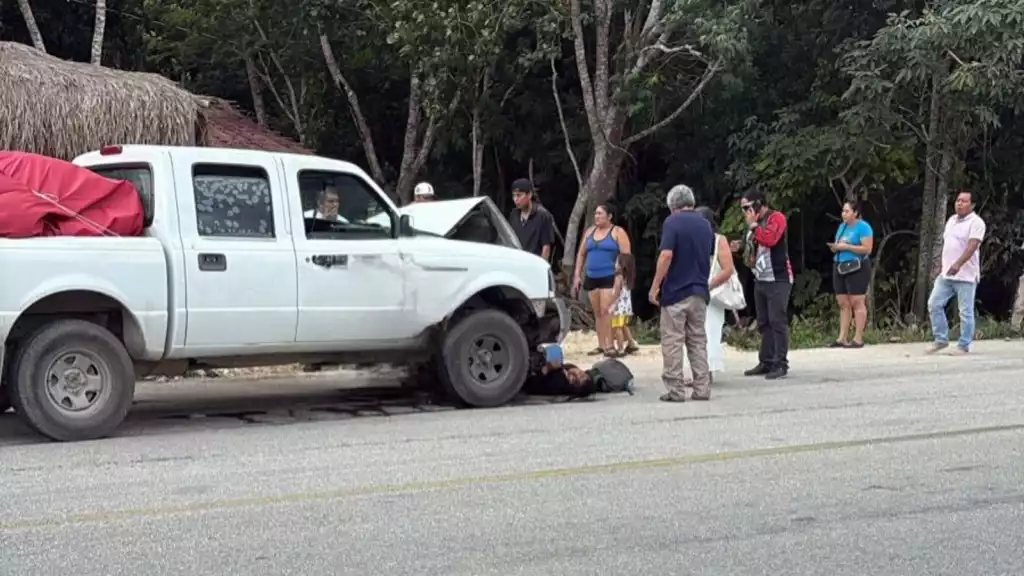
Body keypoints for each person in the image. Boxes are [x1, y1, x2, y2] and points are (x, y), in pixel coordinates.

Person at [648, 185, 714, 402]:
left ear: (672, 206)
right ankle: (702, 388)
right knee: (697, 340)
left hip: (676, 291)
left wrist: (655, 285)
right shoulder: (705, 224)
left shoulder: (672, 222)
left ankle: (676, 390)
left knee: (673, 341)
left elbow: (666, 255)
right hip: (700, 291)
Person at [736, 186, 792, 380]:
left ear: (758, 204)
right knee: (763, 322)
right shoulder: (755, 224)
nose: (745, 213)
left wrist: (754, 227)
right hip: (760, 277)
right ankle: (766, 360)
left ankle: (780, 362)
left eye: (747, 208)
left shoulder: (777, 218)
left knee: (777, 320)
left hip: (778, 277)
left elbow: (770, 239)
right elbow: (752, 247)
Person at [927, 189, 986, 355]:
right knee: (934, 304)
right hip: (946, 273)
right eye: (958, 200)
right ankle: (940, 339)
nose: (959, 203)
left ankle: (963, 344)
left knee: (965, 312)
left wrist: (958, 264)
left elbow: (972, 245)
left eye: (964, 201)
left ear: (972, 205)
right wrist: (941, 264)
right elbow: (948, 245)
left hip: (965, 276)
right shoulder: (952, 220)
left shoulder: (976, 223)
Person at [572, 204, 633, 357]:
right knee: (598, 312)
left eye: (600, 213)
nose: (597, 216)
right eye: (596, 213)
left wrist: (622, 278)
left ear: (609, 216)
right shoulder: (590, 232)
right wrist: (577, 275)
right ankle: (601, 344)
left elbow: (626, 257)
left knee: (608, 311)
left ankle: (610, 345)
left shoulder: (617, 232)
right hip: (592, 276)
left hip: (610, 276)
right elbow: (581, 254)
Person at [695, 206, 735, 383]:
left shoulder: (719, 240)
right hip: (696, 289)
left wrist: (708, 285)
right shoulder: (692, 239)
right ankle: (700, 371)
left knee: (710, 331)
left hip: (713, 292)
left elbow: (728, 269)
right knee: (695, 333)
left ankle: (707, 371)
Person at [828, 199, 874, 348]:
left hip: (857, 266)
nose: (844, 214)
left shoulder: (863, 227)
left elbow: (867, 249)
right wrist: (836, 247)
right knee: (843, 302)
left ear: (855, 213)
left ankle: (858, 338)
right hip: (840, 264)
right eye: (843, 211)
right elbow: (839, 244)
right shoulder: (842, 227)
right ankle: (842, 337)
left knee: (856, 301)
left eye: (847, 211)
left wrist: (847, 246)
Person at [507, 178, 556, 260]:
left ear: (529, 195)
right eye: (513, 196)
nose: (515, 199)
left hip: (533, 263)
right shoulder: (514, 214)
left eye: (519, 195)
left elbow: (546, 248)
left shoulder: (543, 215)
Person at [607, 253, 640, 356]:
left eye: (617, 261)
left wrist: (612, 304)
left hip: (618, 307)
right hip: (626, 307)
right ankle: (631, 343)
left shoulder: (618, 277)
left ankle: (620, 349)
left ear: (622, 264)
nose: (615, 264)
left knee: (618, 327)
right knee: (624, 325)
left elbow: (616, 292)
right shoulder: (628, 278)